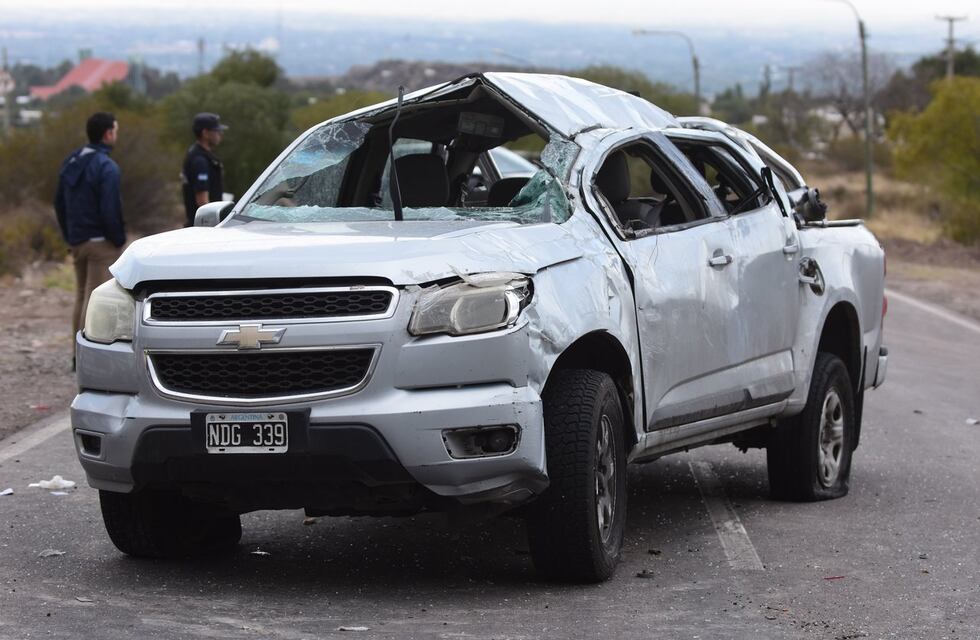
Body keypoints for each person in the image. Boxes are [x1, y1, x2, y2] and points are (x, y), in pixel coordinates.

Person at [54, 111, 125, 348]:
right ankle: (88, 354)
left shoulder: (72, 160)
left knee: (81, 296)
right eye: (115, 131)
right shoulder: (107, 167)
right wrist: (118, 240)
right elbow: (109, 209)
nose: (116, 135)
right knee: (95, 300)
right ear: (107, 134)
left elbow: (58, 202)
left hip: (77, 240)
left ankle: (77, 353)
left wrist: (69, 235)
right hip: (100, 244)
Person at [181, 112, 228, 226]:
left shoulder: (198, 154)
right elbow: (202, 201)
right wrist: (215, 224)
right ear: (205, 133)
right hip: (204, 226)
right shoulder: (200, 160)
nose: (220, 134)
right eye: (216, 131)